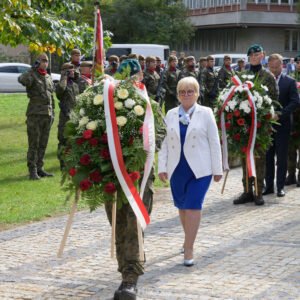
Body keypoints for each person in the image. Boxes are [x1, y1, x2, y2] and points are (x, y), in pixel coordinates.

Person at [105, 59, 162, 300]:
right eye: (124, 76)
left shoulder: (150, 105)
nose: (130, 81)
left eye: (134, 76)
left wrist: (141, 149)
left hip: (138, 178)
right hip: (111, 177)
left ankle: (131, 279)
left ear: (140, 77)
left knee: (133, 226)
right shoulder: (107, 107)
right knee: (118, 226)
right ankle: (123, 272)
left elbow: (159, 133)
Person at [158, 76, 223, 267]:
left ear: (197, 93)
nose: (186, 95)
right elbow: (164, 144)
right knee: (182, 206)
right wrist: (161, 167)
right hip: (177, 168)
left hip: (200, 170)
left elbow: (214, 141)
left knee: (194, 205)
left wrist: (217, 168)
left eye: (190, 91)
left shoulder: (206, 112)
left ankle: (189, 248)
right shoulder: (170, 114)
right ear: (177, 95)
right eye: (182, 92)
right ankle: (188, 239)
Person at [233, 44, 279, 206]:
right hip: (243, 124)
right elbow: (236, 98)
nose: (254, 57)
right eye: (251, 55)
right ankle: (247, 191)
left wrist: (265, 114)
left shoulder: (268, 76)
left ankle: (259, 192)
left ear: (262, 55)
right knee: (245, 158)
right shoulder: (242, 75)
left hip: (261, 125)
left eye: (257, 54)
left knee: (259, 159)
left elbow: (274, 100)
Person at [263, 54, 300, 197]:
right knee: (268, 156)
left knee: (282, 156)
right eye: (271, 67)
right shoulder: (264, 82)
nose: (273, 70)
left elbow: (295, 101)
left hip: (283, 124)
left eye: (276, 67)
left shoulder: (289, 81)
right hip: (266, 126)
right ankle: (269, 186)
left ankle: (280, 187)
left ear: (282, 66)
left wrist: (281, 113)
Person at [18, 53, 55, 179]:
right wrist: (32, 69)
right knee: (34, 143)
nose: (45, 63)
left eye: (47, 61)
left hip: (47, 115)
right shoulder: (32, 75)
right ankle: (32, 171)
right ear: (38, 62)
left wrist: (53, 113)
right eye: (42, 61)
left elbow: (51, 97)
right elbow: (21, 80)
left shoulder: (49, 77)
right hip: (35, 115)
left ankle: (40, 168)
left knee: (43, 143)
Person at [56, 63, 80, 170]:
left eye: (73, 69)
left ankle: (72, 162)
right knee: (63, 140)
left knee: (73, 140)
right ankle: (62, 164)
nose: (73, 71)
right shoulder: (62, 84)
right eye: (70, 70)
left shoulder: (74, 85)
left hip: (74, 116)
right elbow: (60, 91)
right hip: (65, 117)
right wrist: (64, 77)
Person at [286, 54, 300, 186]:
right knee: (290, 150)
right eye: (298, 63)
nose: (299, 65)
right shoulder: (291, 78)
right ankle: (291, 175)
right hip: (292, 119)